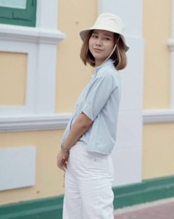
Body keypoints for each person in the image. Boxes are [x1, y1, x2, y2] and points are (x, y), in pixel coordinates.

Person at [57, 12, 129, 219]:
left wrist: (64, 148)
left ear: (116, 45)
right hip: (82, 156)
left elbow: (84, 120)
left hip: (91, 158)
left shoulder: (106, 75)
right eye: (95, 36)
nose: (98, 42)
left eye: (106, 38)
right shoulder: (99, 75)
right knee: (74, 214)